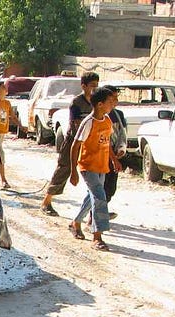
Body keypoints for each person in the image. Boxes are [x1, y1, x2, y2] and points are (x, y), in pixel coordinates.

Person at [40, 71, 100, 216]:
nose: (95, 89)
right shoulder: (77, 102)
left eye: (97, 86)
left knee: (95, 176)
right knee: (64, 170)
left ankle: (96, 209)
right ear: (83, 86)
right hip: (74, 141)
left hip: (91, 143)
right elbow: (76, 123)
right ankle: (46, 202)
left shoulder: (97, 102)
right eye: (92, 86)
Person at [67, 86, 117, 251]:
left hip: (101, 166)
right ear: (100, 104)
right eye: (111, 101)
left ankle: (76, 222)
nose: (114, 103)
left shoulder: (107, 120)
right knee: (99, 198)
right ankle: (97, 236)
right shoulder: (88, 122)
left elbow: (107, 142)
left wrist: (114, 159)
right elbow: (75, 145)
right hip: (88, 166)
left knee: (92, 198)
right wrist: (73, 171)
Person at [100, 84, 127, 221]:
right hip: (100, 157)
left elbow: (122, 134)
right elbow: (104, 141)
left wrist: (121, 149)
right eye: (112, 99)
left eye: (116, 98)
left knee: (110, 188)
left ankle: (101, 211)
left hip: (114, 155)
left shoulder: (118, 115)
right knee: (99, 188)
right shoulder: (99, 116)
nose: (115, 102)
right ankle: (95, 215)